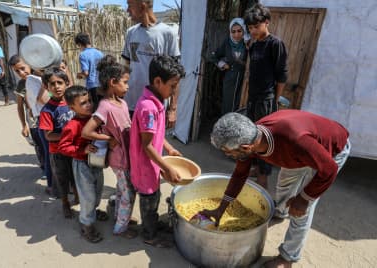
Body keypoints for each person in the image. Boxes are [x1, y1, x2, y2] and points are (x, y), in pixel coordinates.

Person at [202, 110, 351, 268]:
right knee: (284, 183)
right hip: (302, 151)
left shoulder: (295, 141)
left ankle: (288, 257)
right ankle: (281, 211)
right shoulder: (253, 136)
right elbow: (240, 174)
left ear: (245, 148)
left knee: (300, 211)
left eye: (228, 152)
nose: (227, 155)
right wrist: (220, 209)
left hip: (330, 151)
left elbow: (329, 170)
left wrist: (304, 199)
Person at [129, 55, 185, 247]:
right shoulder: (148, 108)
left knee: (155, 196)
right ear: (158, 81)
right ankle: (149, 234)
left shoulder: (157, 101)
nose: (174, 90)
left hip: (153, 164)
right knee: (149, 200)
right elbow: (147, 145)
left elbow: (157, 137)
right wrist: (167, 167)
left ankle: (152, 223)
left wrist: (169, 148)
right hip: (145, 166)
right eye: (172, 85)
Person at [82, 55, 138, 239]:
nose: (128, 86)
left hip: (127, 155)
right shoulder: (105, 106)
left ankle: (121, 218)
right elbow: (86, 131)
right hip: (119, 158)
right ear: (113, 82)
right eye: (125, 82)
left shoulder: (121, 102)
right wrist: (108, 138)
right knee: (128, 193)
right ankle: (120, 229)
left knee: (124, 191)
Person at [244, 4, 289, 187]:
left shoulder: (275, 44)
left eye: (256, 27)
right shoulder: (254, 46)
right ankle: (255, 167)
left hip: (266, 100)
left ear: (266, 23)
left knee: (264, 139)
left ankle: (263, 176)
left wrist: (275, 100)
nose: (253, 31)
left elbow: (282, 74)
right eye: (250, 28)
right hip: (253, 98)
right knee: (252, 135)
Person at [58, 86, 108, 243]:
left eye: (89, 101)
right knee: (87, 196)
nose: (89, 105)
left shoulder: (94, 119)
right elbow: (63, 147)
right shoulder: (72, 125)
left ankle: (93, 211)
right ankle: (87, 225)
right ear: (71, 107)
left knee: (98, 189)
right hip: (82, 165)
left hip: (97, 162)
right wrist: (82, 149)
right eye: (83, 103)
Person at [123, 0, 180, 128]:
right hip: (131, 103)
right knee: (131, 145)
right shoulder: (131, 32)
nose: (127, 10)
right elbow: (126, 68)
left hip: (154, 106)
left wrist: (173, 109)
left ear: (142, 5)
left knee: (152, 145)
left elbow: (175, 77)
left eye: (130, 5)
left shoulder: (167, 34)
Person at [39, 68, 78, 218]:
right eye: (52, 84)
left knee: (76, 176)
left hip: (74, 150)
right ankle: (65, 204)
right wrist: (70, 134)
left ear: (67, 83)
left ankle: (77, 197)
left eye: (60, 83)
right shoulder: (47, 110)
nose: (57, 87)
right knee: (62, 180)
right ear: (46, 87)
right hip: (58, 152)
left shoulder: (72, 103)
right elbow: (49, 136)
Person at [9, 55, 47, 182]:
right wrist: (24, 125)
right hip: (34, 122)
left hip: (48, 118)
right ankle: (45, 169)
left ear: (30, 64)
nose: (21, 73)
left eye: (22, 68)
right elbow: (20, 106)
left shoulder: (43, 78)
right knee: (39, 145)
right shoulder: (21, 84)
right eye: (17, 71)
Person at [211, 17, 249, 114]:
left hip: (245, 79)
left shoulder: (248, 42)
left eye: (239, 31)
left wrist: (248, 44)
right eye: (233, 31)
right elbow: (214, 56)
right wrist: (223, 65)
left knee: (241, 104)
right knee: (228, 104)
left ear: (244, 30)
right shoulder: (227, 43)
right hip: (230, 78)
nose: (236, 34)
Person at [74, 32, 103, 108]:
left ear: (79, 44)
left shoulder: (83, 54)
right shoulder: (99, 53)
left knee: (95, 108)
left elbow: (86, 73)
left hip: (92, 85)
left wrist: (79, 75)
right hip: (102, 84)